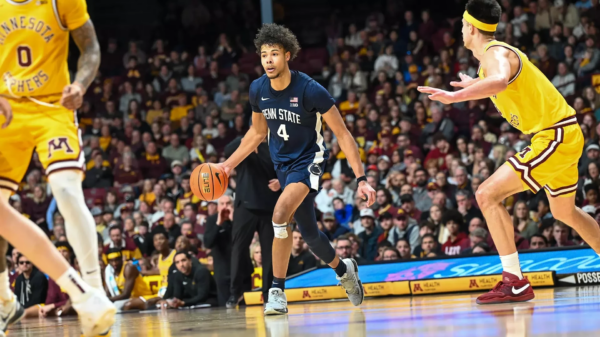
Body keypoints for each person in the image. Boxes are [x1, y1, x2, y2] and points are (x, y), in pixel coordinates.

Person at [418, 0, 600, 305]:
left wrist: (456, 96)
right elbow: (500, 82)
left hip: (554, 135)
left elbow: (501, 80)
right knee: (564, 212)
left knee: (486, 194)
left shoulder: (495, 53)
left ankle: (514, 281)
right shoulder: (490, 59)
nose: (461, 29)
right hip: (559, 134)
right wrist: (475, 83)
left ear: (471, 27)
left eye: (463, 25)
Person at [218, 24, 375, 315]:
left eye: (274, 54)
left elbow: (343, 135)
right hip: (283, 166)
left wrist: (361, 179)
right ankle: (344, 269)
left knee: (279, 216)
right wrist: (226, 166)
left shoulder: (310, 90)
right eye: (264, 54)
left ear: (287, 55)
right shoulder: (257, 89)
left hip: (309, 160)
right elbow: (255, 134)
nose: (268, 60)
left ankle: (276, 291)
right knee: (311, 235)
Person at [0, 0, 116, 334]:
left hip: (52, 109)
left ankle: (94, 290)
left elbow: (90, 46)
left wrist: (80, 84)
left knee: (66, 191)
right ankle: (5, 301)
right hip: (7, 111)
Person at [224, 136, 279, 308]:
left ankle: (268, 294)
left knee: (270, 254)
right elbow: (227, 150)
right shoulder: (244, 144)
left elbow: (288, 165)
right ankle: (235, 293)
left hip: (269, 206)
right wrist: (248, 138)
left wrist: (282, 180)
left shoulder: (276, 144)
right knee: (238, 250)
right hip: (245, 206)